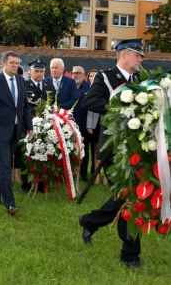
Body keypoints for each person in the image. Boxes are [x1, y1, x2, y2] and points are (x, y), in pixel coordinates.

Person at [79, 39, 147, 268]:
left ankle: (90, 221)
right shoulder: (106, 77)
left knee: (128, 195)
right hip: (114, 149)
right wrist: (119, 103)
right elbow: (89, 101)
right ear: (124, 55)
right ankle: (130, 256)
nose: (140, 60)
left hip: (137, 147)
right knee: (129, 196)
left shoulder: (141, 80)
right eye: (137, 55)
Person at [0, 51, 33, 215]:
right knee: (5, 166)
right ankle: (10, 203)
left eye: (17, 63)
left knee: (2, 166)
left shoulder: (20, 81)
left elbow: (24, 106)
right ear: (3, 64)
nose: (15, 66)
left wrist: (29, 125)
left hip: (15, 130)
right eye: (12, 63)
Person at [21, 58, 56, 193]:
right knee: (27, 154)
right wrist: (35, 112)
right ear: (30, 72)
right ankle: (26, 184)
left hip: (46, 127)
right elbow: (22, 105)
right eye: (36, 71)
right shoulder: (24, 85)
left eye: (42, 71)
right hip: (29, 125)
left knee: (44, 152)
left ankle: (42, 183)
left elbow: (54, 104)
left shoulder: (49, 86)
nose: (39, 74)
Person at [86, 69, 108, 184]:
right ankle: (96, 176)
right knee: (96, 150)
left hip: (106, 124)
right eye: (91, 76)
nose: (93, 78)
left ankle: (106, 177)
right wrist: (89, 125)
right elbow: (90, 110)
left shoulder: (106, 88)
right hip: (95, 125)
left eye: (96, 76)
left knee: (106, 151)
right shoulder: (92, 90)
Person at [71, 66, 91, 182]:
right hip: (69, 124)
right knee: (70, 148)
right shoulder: (69, 86)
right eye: (73, 73)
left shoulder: (89, 87)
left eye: (78, 73)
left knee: (84, 149)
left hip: (84, 124)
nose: (75, 75)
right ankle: (70, 173)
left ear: (83, 75)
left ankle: (83, 173)